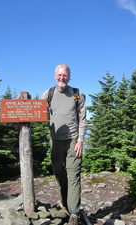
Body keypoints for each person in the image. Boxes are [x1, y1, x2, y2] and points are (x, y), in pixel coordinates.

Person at [41, 64, 86, 225]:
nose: (62, 78)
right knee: (60, 174)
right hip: (55, 141)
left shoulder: (77, 94)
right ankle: (66, 204)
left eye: (65, 75)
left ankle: (74, 214)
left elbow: (82, 119)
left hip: (73, 140)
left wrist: (80, 140)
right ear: (55, 76)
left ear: (69, 76)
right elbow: (37, 109)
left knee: (73, 175)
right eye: (59, 75)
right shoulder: (49, 93)